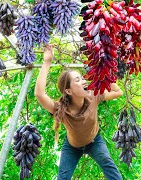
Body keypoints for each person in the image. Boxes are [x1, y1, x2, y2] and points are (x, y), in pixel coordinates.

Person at [34, 44, 124, 180]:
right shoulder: (62, 109)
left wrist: (103, 70)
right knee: (63, 177)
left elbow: (118, 92)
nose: (83, 81)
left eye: (82, 78)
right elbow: (39, 94)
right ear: (68, 91)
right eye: (77, 80)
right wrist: (47, 62)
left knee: (110, 167)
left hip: (95, 142)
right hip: (72, 147)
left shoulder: (93, 96)